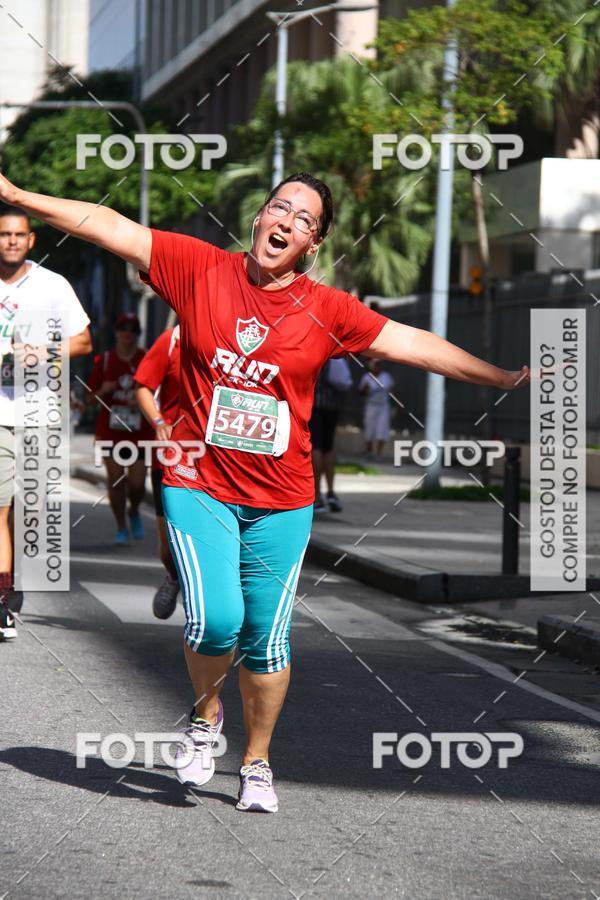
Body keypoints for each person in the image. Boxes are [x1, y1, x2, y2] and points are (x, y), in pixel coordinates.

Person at [0, 169, 529, 811]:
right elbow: (112, 227)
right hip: (199, 479)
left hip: (284, 495)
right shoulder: (200, 268)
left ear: (313, 244)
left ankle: (257, 761)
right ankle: (204, 720)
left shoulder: (328, 308)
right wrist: (22, 198)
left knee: (267, 636)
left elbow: (409, 342)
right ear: (258, 218)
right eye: (279, 207)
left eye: (303, 219)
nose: (286, 221)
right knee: (216, 618)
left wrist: (495, 377)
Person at [0, 205, 92, 640]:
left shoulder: (52, 286)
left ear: (31, 241)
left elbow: (84, 341)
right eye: (4, 235)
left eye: (19, 235)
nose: (11, 241)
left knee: (28, 512)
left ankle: (15, 579)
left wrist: (40, 351)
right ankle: (3, 600)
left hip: (40, 412)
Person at [87, 313, 153, 545]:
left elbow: (159, 391)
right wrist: (103, 390)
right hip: (111, 433)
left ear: (138, 334)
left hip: (140, 434)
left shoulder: (146, 358)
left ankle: (134, 510)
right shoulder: (104, 361)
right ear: (116, 332)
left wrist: (143, 400)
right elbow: (88, 400)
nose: (128, 333)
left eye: (133, 329)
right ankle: (121, 526)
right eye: (123, 328)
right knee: (115, 482)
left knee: (136, 485)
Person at [135, 325, 182, 619]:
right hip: (170, 456)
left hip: (216, 461)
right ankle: (174, 577)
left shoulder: (230, 337)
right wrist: (158, 420)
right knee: (168, 547)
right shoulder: (171, 339)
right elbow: (143, 385)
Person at [309, 356, 353, 513]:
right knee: (327, 447)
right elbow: (344, 382)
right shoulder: (337, 358)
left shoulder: (323, 355)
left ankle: (316, 496)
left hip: (315, 405)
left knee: (317, 446)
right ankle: (330, 492)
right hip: (331, 406)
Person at [358, 358, 394, 461]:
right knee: (370, 429)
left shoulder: (386, 377)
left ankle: (379, 454)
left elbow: (392, 391)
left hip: (383, 407)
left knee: (382, 430)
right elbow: (360, 392)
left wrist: (394, 406)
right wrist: (365, 389)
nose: (377, 366)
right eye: (375, 364)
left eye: (379, 364)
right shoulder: (366, 377)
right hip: (371, 406)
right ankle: (369, 452)